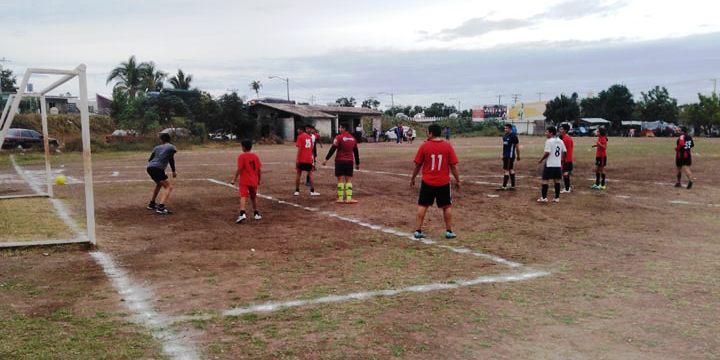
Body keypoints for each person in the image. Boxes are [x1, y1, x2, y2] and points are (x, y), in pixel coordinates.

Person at [410, 123, 460, 239]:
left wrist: (413, 178)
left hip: (427, 182)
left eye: (428, 132)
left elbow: (417, 165)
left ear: (431, 133)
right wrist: (458, 180)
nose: (427, 134)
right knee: (447, 206)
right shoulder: (447, 146)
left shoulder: (424, 146)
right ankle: (449, 231)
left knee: (423, 205)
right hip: (443, 182)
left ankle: (418, 230)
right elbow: (453, 166)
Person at [323, 123, 360, 204]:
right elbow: (356, 152)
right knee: (348, 180)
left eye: (340, 128)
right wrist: (357, 163)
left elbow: (333, 148)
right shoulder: (353, 138)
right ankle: (348, 199)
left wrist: (326, 159)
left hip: (340, 161)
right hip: (349, 161)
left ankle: (340, 198)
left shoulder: (338, 137)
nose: (339, 129)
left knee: (340, 180)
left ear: (343, 128)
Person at [230, 139, 262, 223]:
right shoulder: (255, 156)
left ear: (243, 147)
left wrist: (234, 179)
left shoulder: (242, 156)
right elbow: (259, 170)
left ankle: (242, 213)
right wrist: (259, 179)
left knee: (243, 196)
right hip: (254, 180)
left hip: (245, 180)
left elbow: (239, 169)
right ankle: (256, 213)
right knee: (253, 197)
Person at [146, 133, 177, 215]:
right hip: (158, 169)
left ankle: (152, 204)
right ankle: (161, 207)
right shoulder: (171, 147)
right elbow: (171, 159)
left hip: (150, 168)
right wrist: (173, 171)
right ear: (169, 139)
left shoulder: (156, 147)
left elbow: (150, 159)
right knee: (168, 187)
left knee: (159, 184)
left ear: (161, 140)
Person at [537, 126, 566, 203]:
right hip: (557, 165)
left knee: (545, 180)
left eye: (547, 132)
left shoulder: (549, 141)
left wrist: (541, 160)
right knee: (557, 181)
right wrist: (562, 160)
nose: (545, 133)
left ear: (551, 133)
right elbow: (565, 152)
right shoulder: (560, 141)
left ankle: (544, 198)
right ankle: (557, 198)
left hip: (549, 164)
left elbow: (547, 153)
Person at [294, 127, 320, 196]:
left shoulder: (300, 137)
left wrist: (297, 159)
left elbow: (299, 148)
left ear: (301, 130)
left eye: (298, 129)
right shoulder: (310, 137)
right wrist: (312, 160)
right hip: (309, 159)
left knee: (298, 173)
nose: (297, 130)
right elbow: (312, 149)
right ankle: (312, 191)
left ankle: (297, 191)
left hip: (301, 158)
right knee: (310, 174)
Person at [498, 123, 520, 190]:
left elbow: (517, 147)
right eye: (505, 128)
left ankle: (504, 186)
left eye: (506, 128)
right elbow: (505, 147)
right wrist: (503, 155)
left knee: (506, 170)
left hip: (510, 156)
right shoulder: (504, 136)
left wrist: (518, 156)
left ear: (510, 129)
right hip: (506, 156)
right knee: (510, 169)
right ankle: (513, 186)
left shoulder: (513, 136)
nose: (505, 129)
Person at [559, 124, 575, 193]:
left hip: (566, 160)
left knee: (565, 174)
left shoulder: (566, 139)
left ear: (565, 130)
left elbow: (564, 151)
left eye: (561, 129)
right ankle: (567, 188)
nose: (560, 130)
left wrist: (562, 160)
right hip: (568, 159)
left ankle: (567, 189)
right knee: (565, 174)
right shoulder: (566, 138)